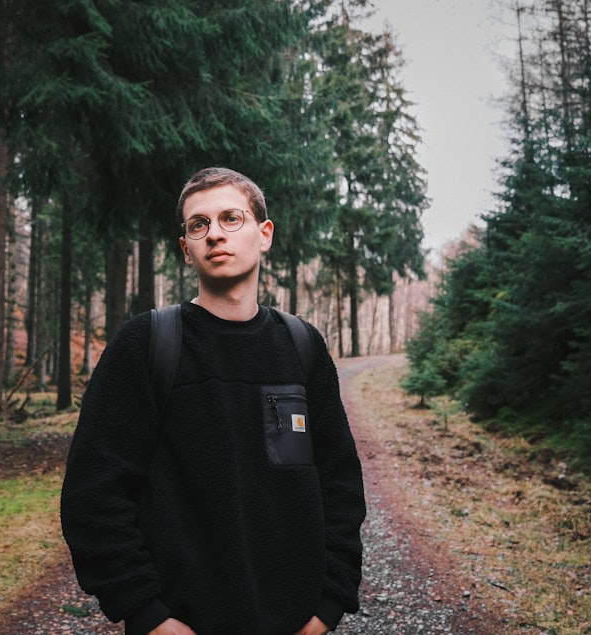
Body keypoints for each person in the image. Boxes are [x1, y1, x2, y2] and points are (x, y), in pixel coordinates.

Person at [60, 167, 366, 635]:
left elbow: (340, 484)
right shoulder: (148, 344)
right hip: (182, 624)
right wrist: (147, 613)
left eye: (230, 218)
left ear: (264, 234)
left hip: (296, 624)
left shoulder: (302, 345)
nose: (214, 235)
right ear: (186, 249)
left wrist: (328, 605)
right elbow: (94, 492)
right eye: (198, 225)